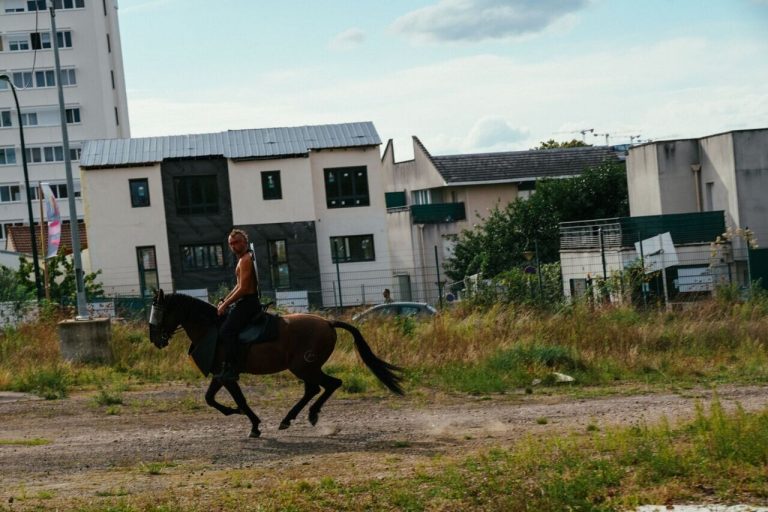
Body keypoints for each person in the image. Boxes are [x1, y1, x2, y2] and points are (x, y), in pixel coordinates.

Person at [214, 229, 261, 381]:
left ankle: (232, 368)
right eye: (231, 243)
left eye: (237, 242)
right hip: (245, 301)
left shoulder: (246, 259)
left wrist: (225, 304)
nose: (234, 246)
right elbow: (238, 285)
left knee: (226, 331)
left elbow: (244, 288)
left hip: (249, 302)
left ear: (245, 242)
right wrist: (224, 301)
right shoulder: (243, 259)